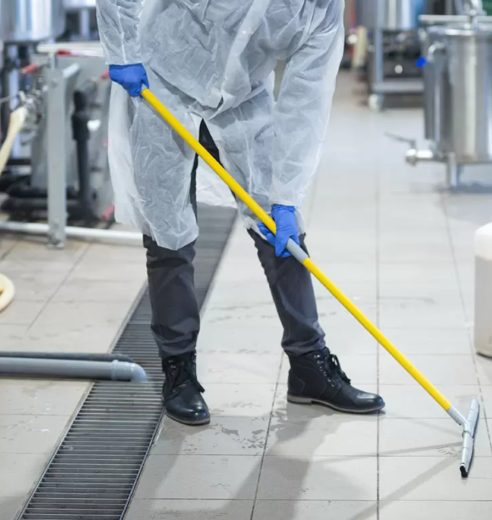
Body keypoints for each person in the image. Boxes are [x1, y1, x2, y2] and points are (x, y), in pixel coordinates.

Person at [98, 0, 384, 426]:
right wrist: (122, 50)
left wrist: (286, 195)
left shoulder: (322, 11)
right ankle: (179, 371)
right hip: (163, 78)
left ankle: (309, 367)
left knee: (280, 231)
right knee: (169, 230)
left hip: (241, 96)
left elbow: (306, 102)